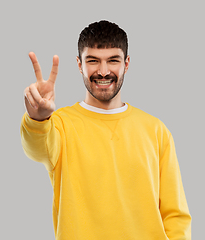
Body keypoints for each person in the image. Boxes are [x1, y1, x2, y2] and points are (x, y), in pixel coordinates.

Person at [21, 20, 191, 240]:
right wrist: (38, 117)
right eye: (93, 61)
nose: (103, 71)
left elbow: (175, 215)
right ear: (79, 64)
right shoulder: (60, 125)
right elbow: (36, 148)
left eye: (113, 60)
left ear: (126, 64)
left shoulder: (156, 130)